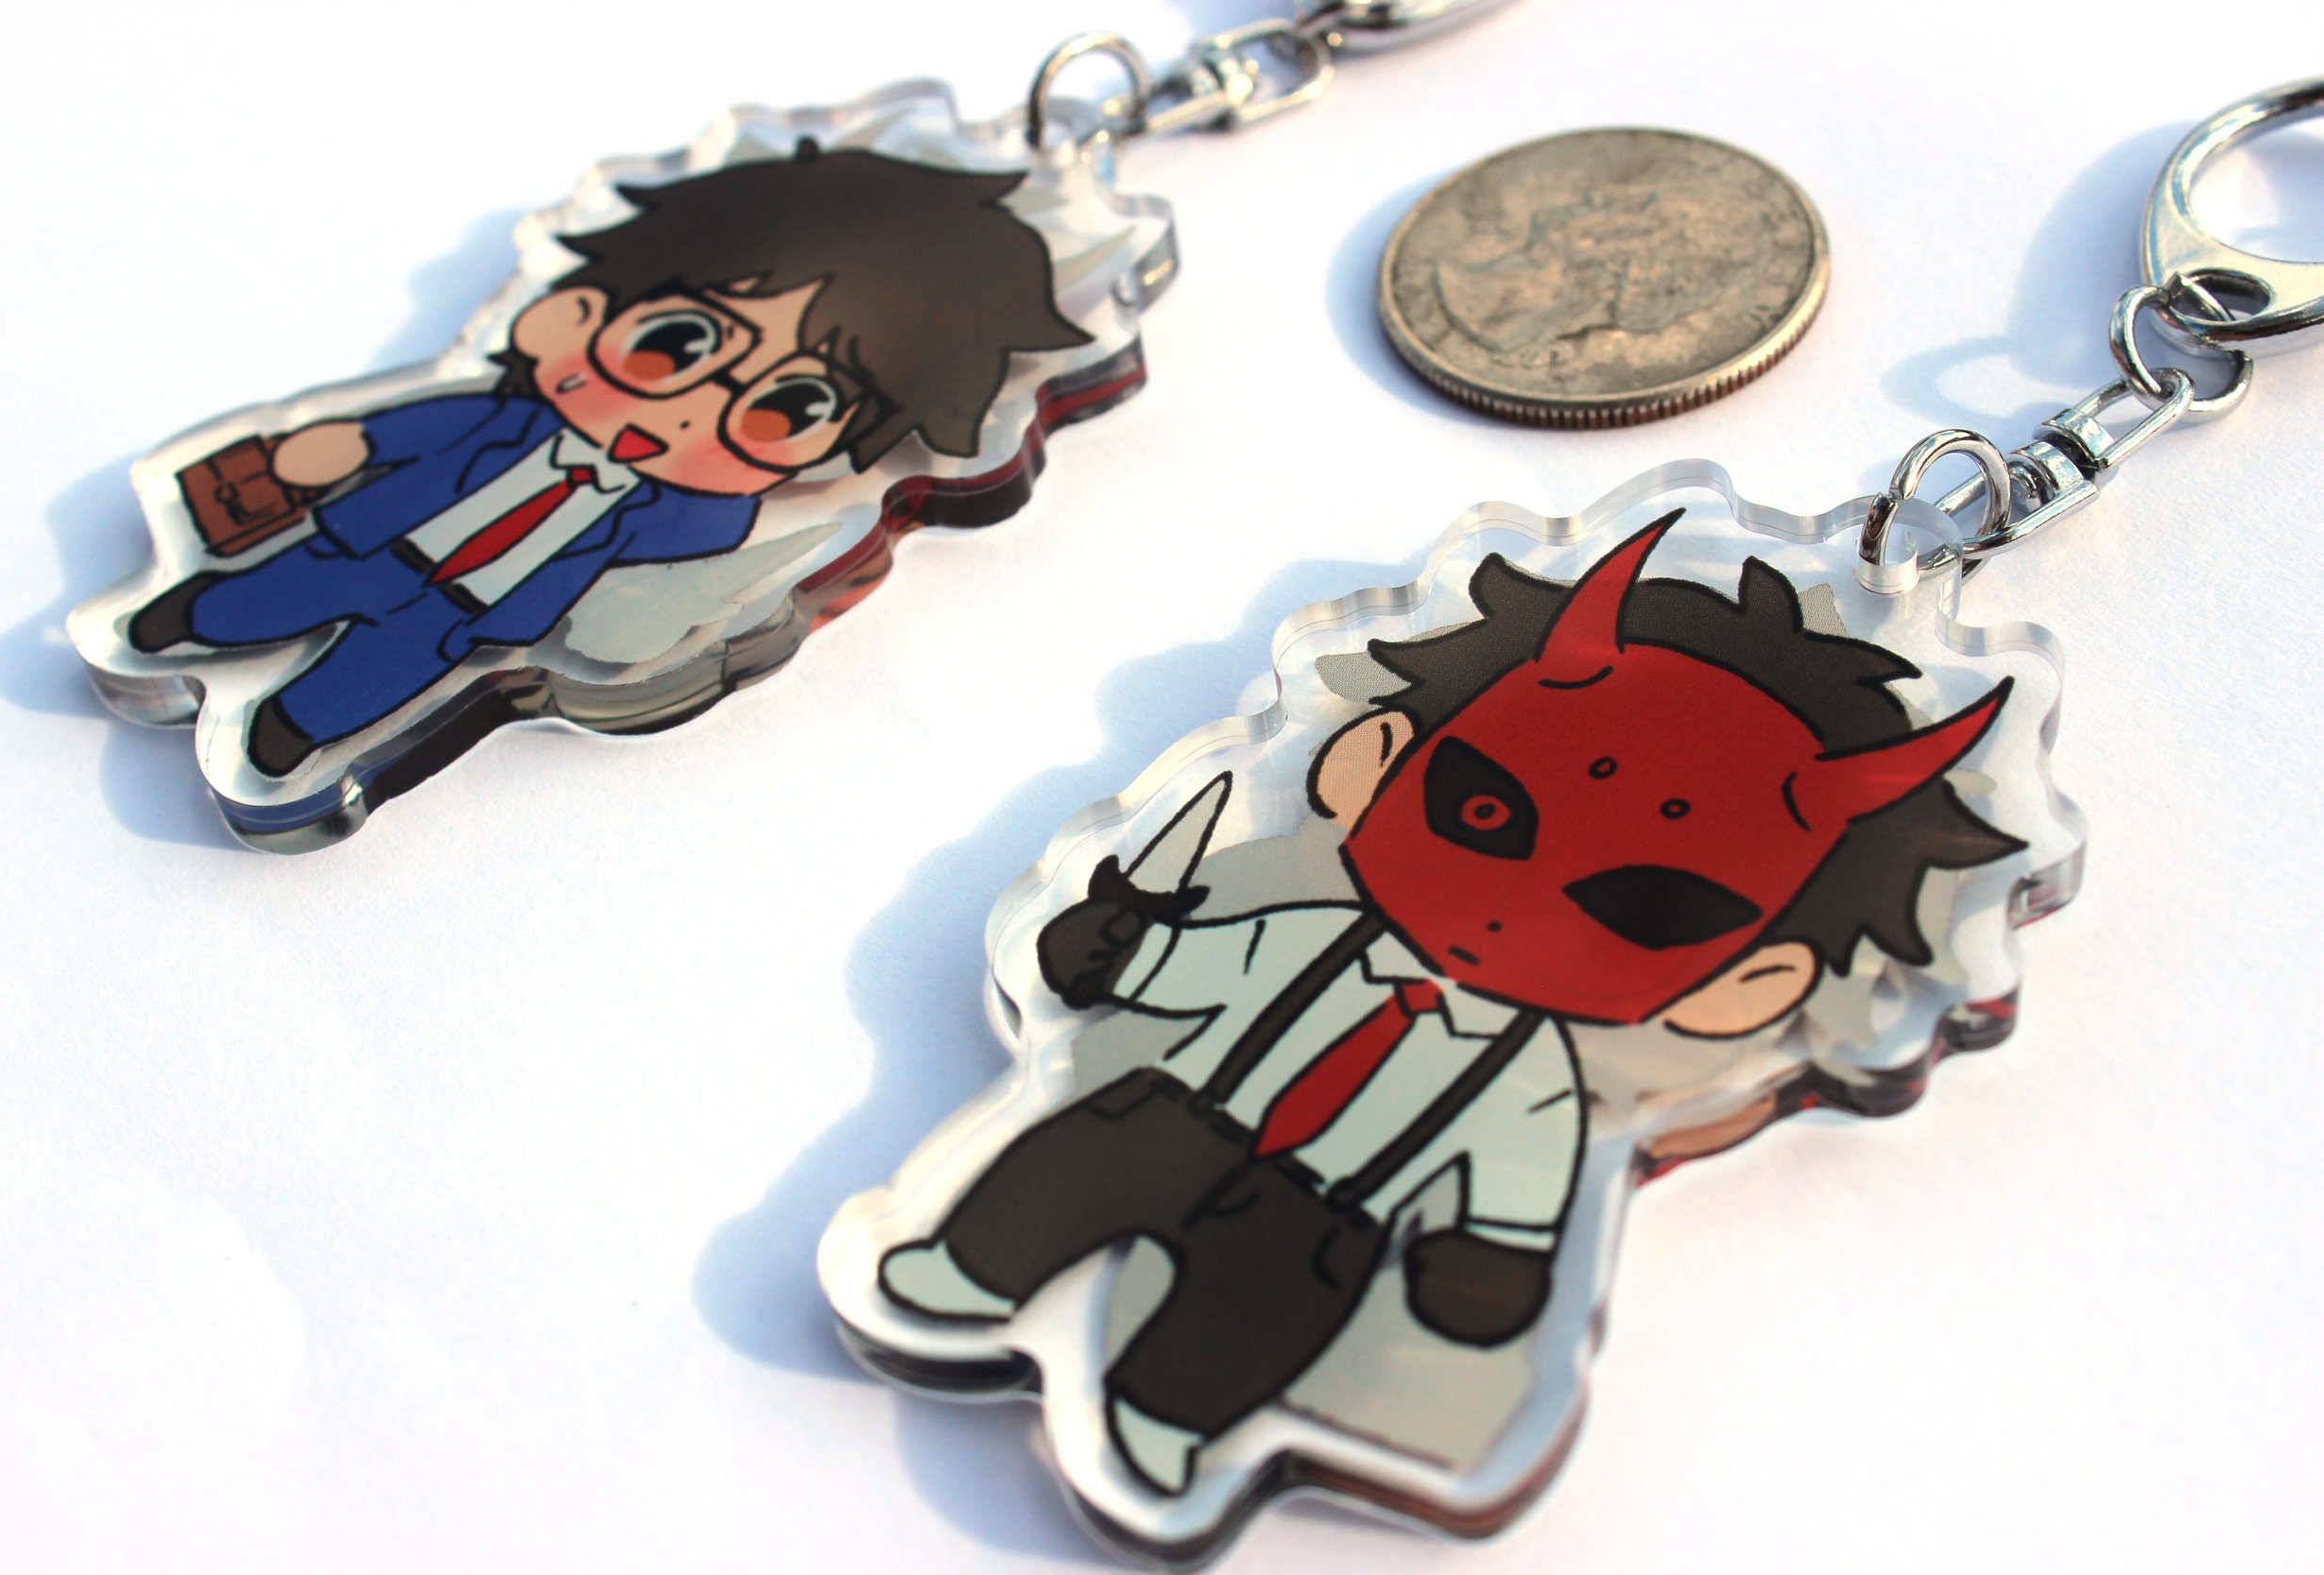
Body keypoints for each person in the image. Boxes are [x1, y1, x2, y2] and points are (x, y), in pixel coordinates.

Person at [878, 511, 2024, 1494]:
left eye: (1642, 906)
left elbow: (1519, 1173)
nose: (1518, 900)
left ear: (1749, 987)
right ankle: (972, 1271)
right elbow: (1202, 967)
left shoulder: (1530, 1084)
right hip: (1163, 1121)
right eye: (1484, 813)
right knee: (1068, 1167)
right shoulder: (1308, 935)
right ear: (1368, 763)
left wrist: (1492, 1257)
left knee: (1257, 1321)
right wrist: (1120, 951)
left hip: (1322, 1221)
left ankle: (1169, 1419)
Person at [127, 144, 1089, 776]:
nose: (692, 409)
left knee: (382, 675)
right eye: (675, 344)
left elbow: (696, 549)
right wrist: (344, 449)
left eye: (785, 406)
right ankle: (192, 616)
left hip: (476, 618)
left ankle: (296, 729)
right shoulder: (502, 411)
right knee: (282, 590)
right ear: (578, 313)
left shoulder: (703, 510)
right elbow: (418, 430)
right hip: (368, 534)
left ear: (835, 449)